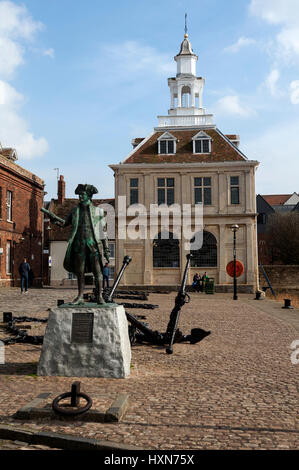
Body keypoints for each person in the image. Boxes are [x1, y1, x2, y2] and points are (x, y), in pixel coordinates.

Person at [44, 184, 110, 304]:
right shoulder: (75, 211)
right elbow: (65, 223)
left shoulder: (98, 211)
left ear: (89, 196)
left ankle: (99, 296)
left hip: (93, 245)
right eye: (79, 194)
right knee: (79, 271)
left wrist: (106, 250)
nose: (80, 196)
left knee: (97, 271)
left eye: (82, 194)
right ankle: (80, 296)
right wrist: (54, 219)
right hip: (79, 244)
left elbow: (103, 232)